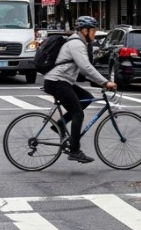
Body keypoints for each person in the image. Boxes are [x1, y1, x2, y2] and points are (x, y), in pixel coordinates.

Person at [43, 16, 117, 164]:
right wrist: (105, 82)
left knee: (87, 98)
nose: (94, 35)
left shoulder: (79, 42)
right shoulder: (76, 44)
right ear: (85, 30)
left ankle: (59, 125)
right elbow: (86, 67)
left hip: (62, 81)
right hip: (57, 81)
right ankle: (75, 151)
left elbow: (84, 70)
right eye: (93, 31)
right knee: (78, 113)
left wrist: (99, 82)